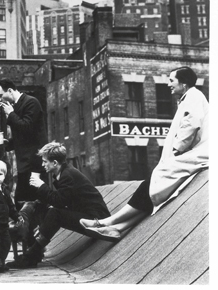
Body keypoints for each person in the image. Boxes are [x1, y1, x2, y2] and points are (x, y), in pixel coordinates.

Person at [80, 66, 209, 241]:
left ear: (184, 83)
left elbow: (191, 124)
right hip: (194, 155)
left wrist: (176, 151)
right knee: (152, 189)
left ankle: (105, 223)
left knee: (152, 183)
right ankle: (118, 228)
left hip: (197, 156)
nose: (168, 84)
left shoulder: (193, 96)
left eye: (172, 80)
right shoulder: (190, 97)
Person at [6, 141, 112, 269]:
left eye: (45, 161)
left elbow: (59, 202)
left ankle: (31, 256)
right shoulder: (65, 172)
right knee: (43, 208)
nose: (42, 164)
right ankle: (35, 252)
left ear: (55, 163)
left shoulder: (68, 175)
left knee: (55, 213)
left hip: (97, 220)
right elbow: (61, 200)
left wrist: (41, 185)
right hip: (89, 216)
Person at [0, 79, 47, 206]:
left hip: (34, 163)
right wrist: (7, 144)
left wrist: (11, 114)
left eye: (1, 96)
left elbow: (27, 127)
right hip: (24, 163)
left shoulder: (31, 102)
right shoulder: (17, 105)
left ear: (10, 91)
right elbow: (23, 135)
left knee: (33, 200)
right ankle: (29, 225)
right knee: (22, 200)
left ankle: (36, 225)